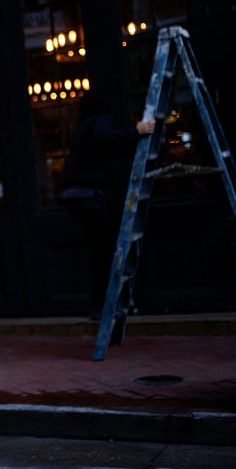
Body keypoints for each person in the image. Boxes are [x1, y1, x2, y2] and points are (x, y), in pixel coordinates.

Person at [61, 90, 156, 319]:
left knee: (101, 250)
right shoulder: (98, 121)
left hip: (79, 195)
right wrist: (137, 131)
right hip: (88, 196)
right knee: (105, 251)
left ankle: (104, 304)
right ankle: (106, 305)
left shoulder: (84, 124)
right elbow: (106, 136)